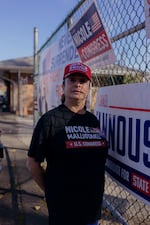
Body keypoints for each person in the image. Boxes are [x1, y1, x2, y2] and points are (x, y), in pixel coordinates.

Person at [27, 62, 108, 225]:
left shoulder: (93, 121)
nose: (77, 84)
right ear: (63, 86)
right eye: (72, 80)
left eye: (82, 81)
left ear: (89, 87)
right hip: (63, 211)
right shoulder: (49, 120)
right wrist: (50, 191)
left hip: (92, 208)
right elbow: (33, 164)